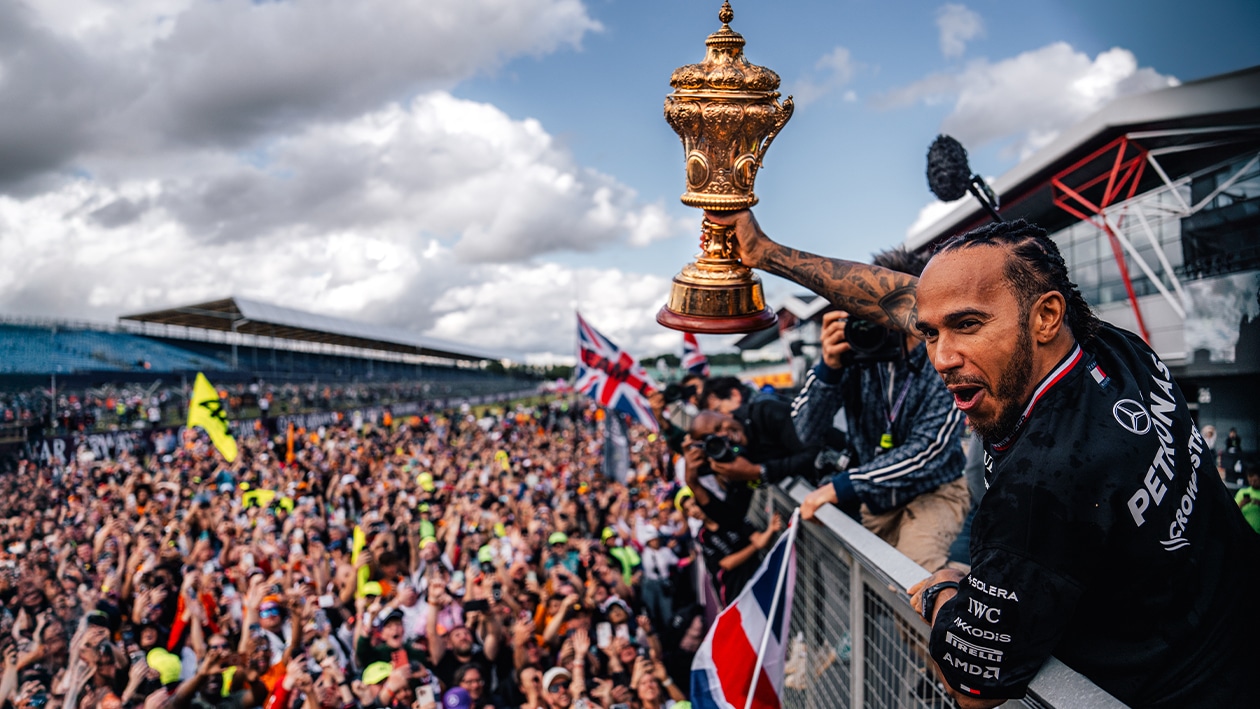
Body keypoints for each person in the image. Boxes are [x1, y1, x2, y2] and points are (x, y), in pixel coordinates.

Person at [709, 209, 1260, 708]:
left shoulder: (1037, 490)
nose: (943, 358)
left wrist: (947, 590)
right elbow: (896, 300)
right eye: (928, 333)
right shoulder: (1112, 346)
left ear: (1045, 316)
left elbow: (974, 689)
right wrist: (765, 253)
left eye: (967, 326)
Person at [792, 247, 969, 573]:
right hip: (876, 500)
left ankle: (964, 593)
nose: (877, 322)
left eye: (887, 310)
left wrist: (843, 486)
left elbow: (931, 450)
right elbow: (803, 432)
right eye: (868, 308)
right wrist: (828, 369)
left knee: (913, 578)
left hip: (933, 492)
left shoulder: (941, 357)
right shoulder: (854, 352)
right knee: (875, 582)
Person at [1235, 461, 1260, 534]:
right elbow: (1232, 512)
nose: (1252, 483)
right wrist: (1241, 504)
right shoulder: (1242, 492)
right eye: (1250, 481)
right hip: (1245, 534)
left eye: (1255, 481)